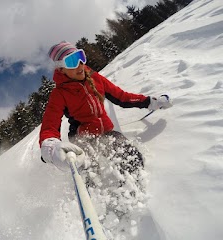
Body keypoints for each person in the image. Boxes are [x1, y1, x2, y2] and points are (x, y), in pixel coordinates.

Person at [39, 41, 172, 176]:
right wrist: (50, 147)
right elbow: (50, 124)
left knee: (133, 159)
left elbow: (122, 97)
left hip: (106, 133)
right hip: (83, 138)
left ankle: (134, 191)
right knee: (90, 173)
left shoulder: (95, 78)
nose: (79, 64)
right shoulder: (59, 93)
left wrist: (150, 102)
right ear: (61, 69)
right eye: (71, 61)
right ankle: (91, 190)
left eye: (80, 57)